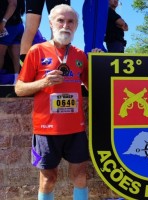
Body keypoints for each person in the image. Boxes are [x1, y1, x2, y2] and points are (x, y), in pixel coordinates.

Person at [15, 4, 91, 200]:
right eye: (60, 20)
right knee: (48, 179)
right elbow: (19, 89)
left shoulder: (80, 55)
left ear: (76, 26)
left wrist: (99, 62)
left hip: (76, 129)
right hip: (46, 130)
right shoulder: (36, 51)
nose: (65, 25)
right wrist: (44, 82)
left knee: (81, 176)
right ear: (51, 23)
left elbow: (92, 87)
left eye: (71, 21)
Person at [0, 0, 25, 80]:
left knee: (0, 53)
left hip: (8, 25)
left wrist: (3, 21)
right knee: (16, 56)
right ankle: (17, 79)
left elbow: (13, 3)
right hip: (17, 24)